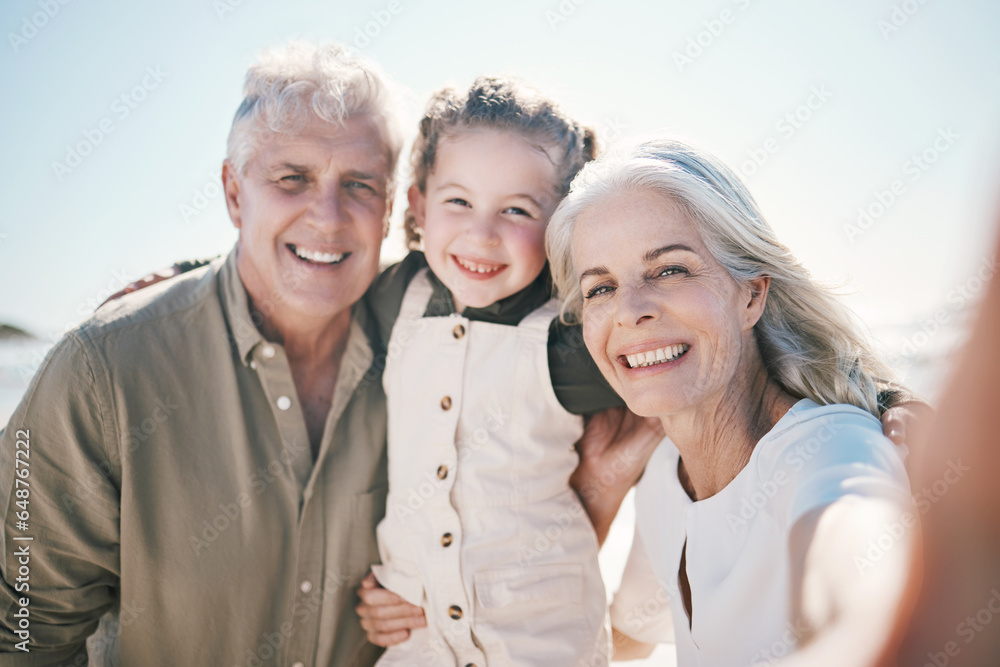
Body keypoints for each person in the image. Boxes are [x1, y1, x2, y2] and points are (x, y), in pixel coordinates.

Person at [0, 42, 404, 665]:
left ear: (391, 207)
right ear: (235, 194)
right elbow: (25, 631)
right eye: (292, 178)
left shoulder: (432, 356)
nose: (328, 217)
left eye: (359, 184)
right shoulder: (99, 372)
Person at [544, 139, 916, 665]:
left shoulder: (830, 446)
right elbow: (627, 637)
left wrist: (866, 612)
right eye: (600, 288)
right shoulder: (664, 474)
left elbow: (858, 560)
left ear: (752, 294)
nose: (630, 311)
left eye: (670, 269)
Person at [359, 76, 618, 666]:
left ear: (563, 224)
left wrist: (873, 394)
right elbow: (281, 285)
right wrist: (184, 271)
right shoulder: (391, 296)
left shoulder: (573, 341)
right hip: (414, 640)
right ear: (418, 206)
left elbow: (715, 348)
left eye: (517, 210)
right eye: (458, 201)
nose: (482, 233)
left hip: (543, 645)